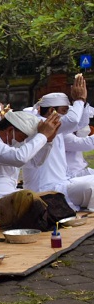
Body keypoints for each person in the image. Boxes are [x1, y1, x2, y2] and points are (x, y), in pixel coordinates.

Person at [23, 77, 92, 209]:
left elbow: (79, 123)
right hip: (45, 191)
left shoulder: (57, 129)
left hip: (63, 183)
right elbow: (73, 120)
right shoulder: (39, 125)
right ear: (51, 111)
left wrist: (82, 102)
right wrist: (79, 99)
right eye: (64, 111)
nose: (66, 114)